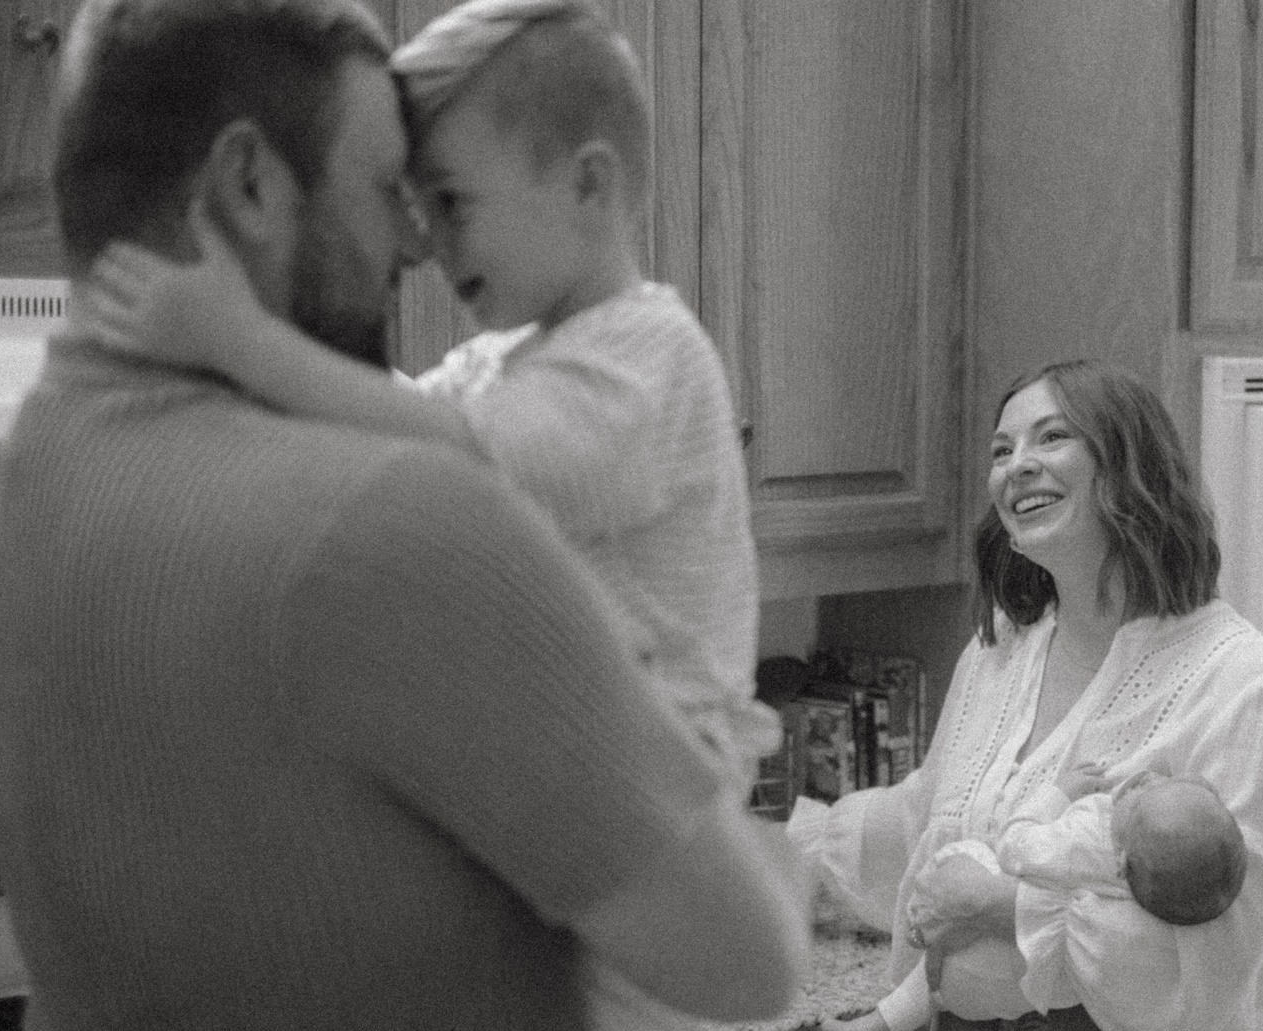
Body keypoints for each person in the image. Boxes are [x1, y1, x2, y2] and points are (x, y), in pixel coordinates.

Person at [0, 1, 809, 1028]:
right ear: (250, 183)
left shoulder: (34, 482)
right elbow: (751, 963)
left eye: (447, 199)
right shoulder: (397, 526)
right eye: (391, 190)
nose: (418, 244)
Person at [79, 0, 782, 799]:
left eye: (451, 202)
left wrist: (239, 337)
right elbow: (379, 424)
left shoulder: (651, 359)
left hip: (669, 782)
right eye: (413, 206)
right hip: (584, 765)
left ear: (590, 184)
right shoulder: (509, 360)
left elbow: (462, 464)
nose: (426, 245)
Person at [788, 359, 1263, 1031]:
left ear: (1130, 466)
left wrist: (999, 903)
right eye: (1001, 451)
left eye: (1052, 437)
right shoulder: (1000, 648)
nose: (1017, 466)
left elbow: (1210, 956)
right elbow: (924, 821)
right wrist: (786, 850)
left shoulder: (1244, 683)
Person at [866, 766, 1250, 1031]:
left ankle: (888, 1017)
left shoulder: (1086, 842)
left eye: (1139, 800)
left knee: (973, 853)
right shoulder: (1158, 877)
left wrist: (1055, 795)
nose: (1141, 783)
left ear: (1121, 862)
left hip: (981, 969)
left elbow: (1014, 846)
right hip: (1030, 993)